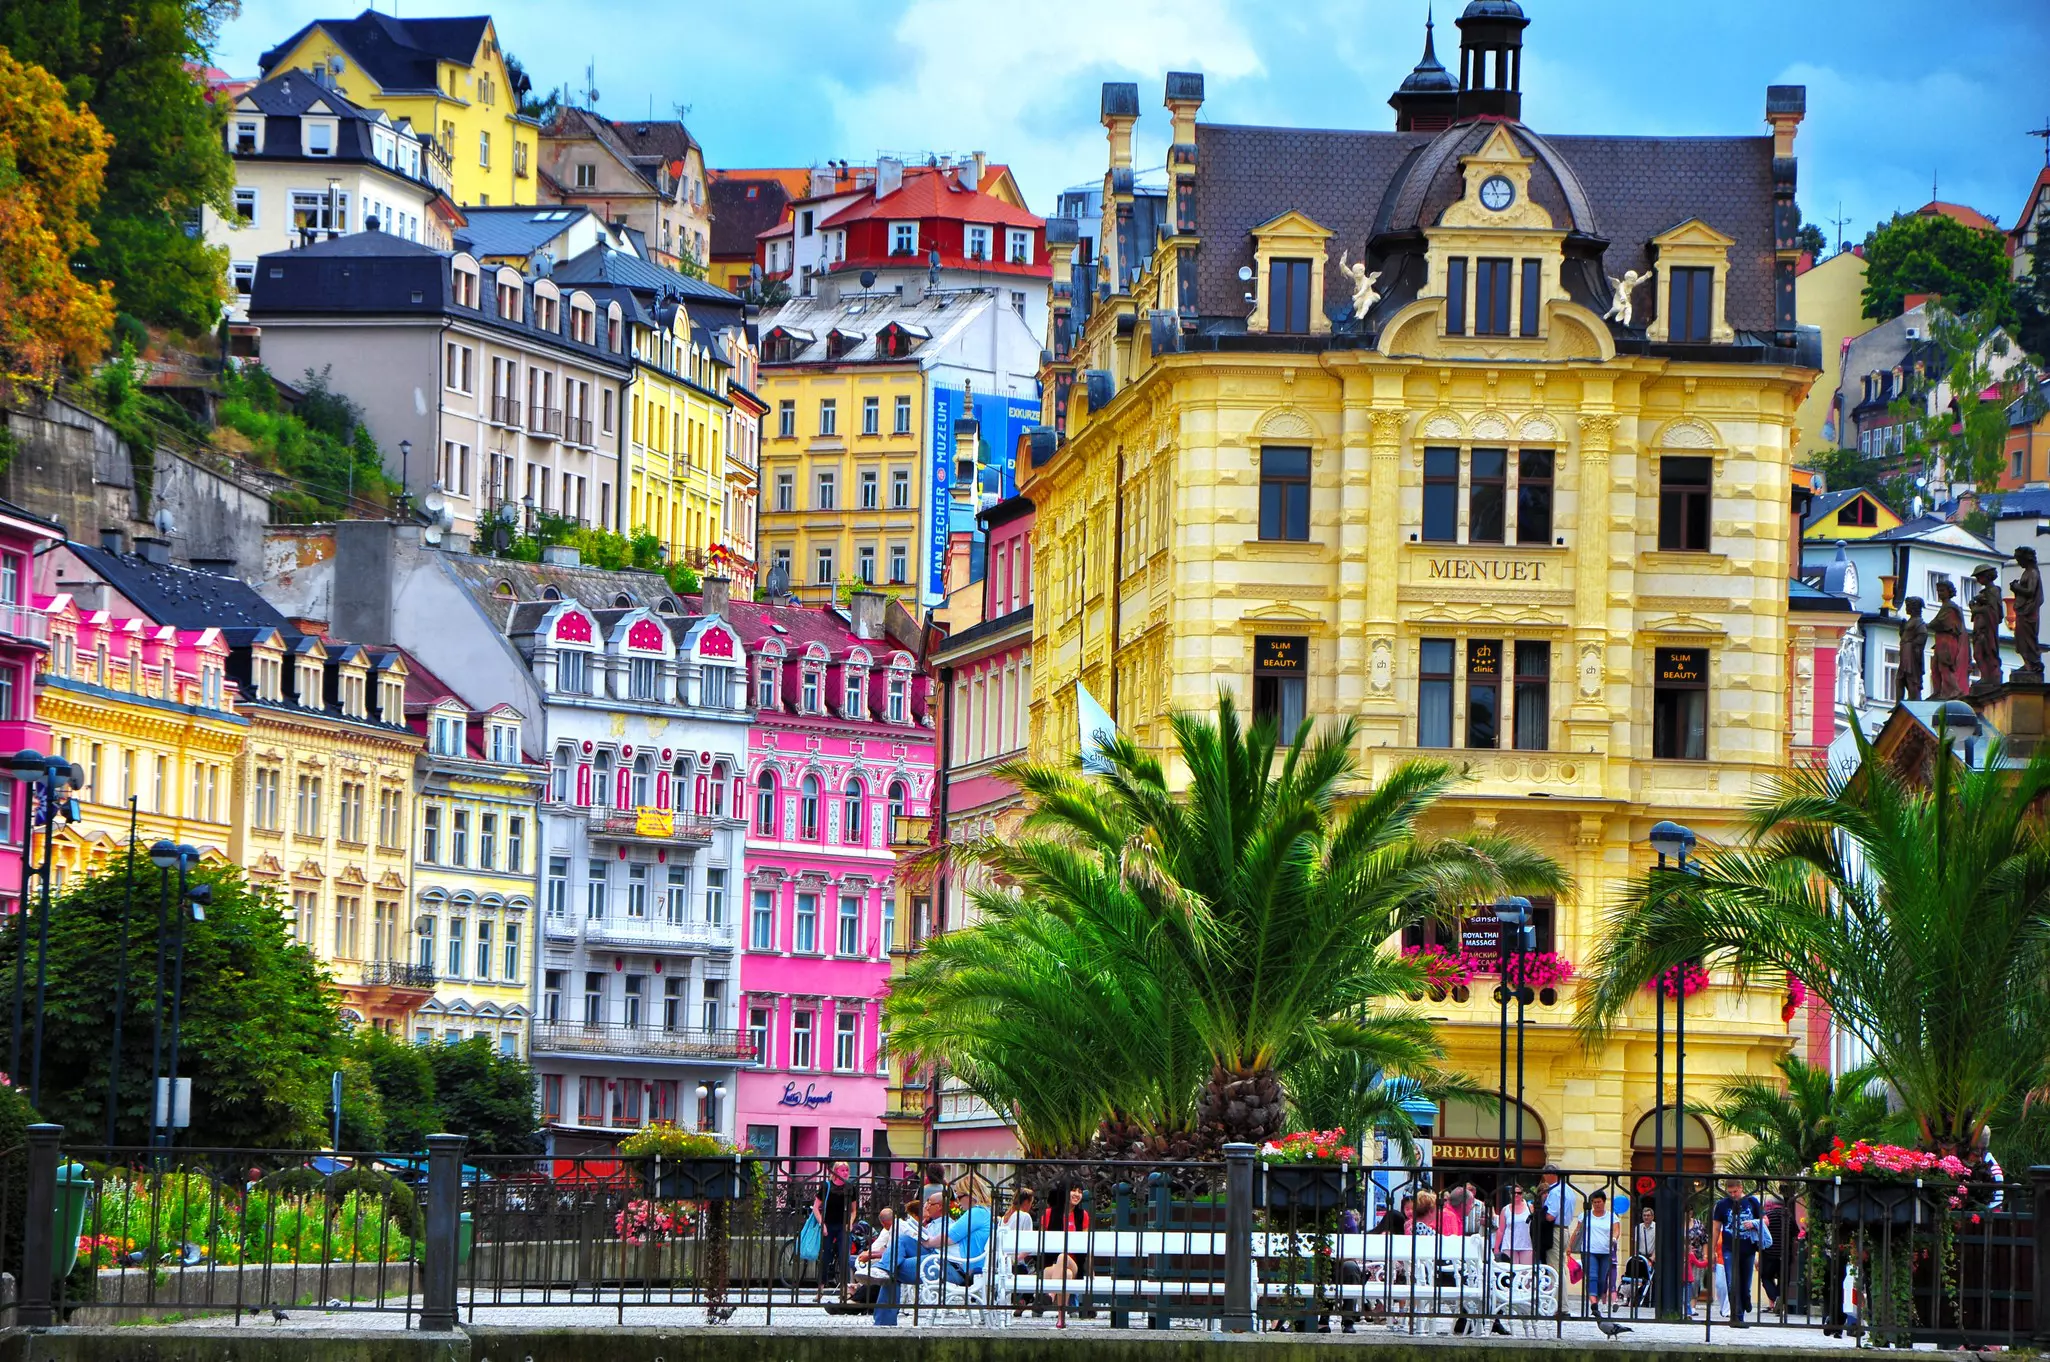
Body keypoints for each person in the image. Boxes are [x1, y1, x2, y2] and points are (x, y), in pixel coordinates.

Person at [1711, 1177, 1765, 1327]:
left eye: (1735, 1191)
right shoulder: (1722, 1205)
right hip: (1729, 1248)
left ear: (1741, 1188)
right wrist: (1712, 1249)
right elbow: (1716, 1228)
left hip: (1748, 1248)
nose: (1733, 1195)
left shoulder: (1752, 1201)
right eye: (1730, 1192)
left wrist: (1753, 1223)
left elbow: (1765, 1220)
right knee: (1731, 1282)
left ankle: (1746, 1298)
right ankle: (1737, 1317)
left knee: (1745, 1285)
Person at [1038, 1183, 1092, 1316]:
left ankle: (1050, 1296)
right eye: (1073, 1190)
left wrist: (1091, 1273)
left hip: (1074, 1265)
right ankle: (1061, 1317)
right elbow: (1040, 1242)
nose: (1077, 1194)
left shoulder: (1082, 1215)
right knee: (1065, 1274)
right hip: (1052, 1266)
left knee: (1063, 1257)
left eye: (1080, 1191)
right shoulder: (1049, 1214)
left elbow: (1086, 1245)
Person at [1572, 1189, 1621, 1312]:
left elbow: (1616, 1230)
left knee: (1602, 1279)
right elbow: (1578, 1231)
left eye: (1599, 1202)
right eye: (1594, 1202)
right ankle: (1593, 1303)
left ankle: (1597, 1298)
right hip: (1589, 1250)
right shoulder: (1585, 1215)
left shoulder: (1611, 1216)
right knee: (1592, 1276)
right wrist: (1569, 1246)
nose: (1596, 1204)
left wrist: (1614, 1238)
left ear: (1604, 1202)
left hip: (1605, 1251)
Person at [1537, 1165, 1578, 1308]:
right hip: (1565, 1229)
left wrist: (1539, 1213)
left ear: (1550, 1174)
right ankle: (1562, 1304)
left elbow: (1550, 1216)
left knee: (1555, 1269)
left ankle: (1559, 1306)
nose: (1544, 1178)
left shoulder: (1554, 1191)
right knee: (1560, 1267)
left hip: (1555, 1230)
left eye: (1545, 1174)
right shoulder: (1569, 1190)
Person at [815, 1160, 856, 1291]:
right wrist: (822, 1224)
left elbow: (854, 1210)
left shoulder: (850, 1187)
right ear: (835, 1171)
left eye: (847, 1170)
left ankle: (844, 1289)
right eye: (842, 1170)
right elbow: (816, 1207)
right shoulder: (826, 1186)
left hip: (843, 1225)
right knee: (825, 1256)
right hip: (828, 1225)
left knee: (844, 1256)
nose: (845, 1173)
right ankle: (820, 1289)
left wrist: (850, 1223)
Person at [1494, 1186, 1533, 1265]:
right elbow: (1501, 1230)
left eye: (1519, 1193)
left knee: (1527, 1273)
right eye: (1513, 1193)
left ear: (1522, 1194)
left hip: (1526, 1244)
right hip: (1509, 1245)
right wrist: (1496, 1247)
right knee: (1511, 1272)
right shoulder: (1505, 1210)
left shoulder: (1530, 1208)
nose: (1516, 1195)